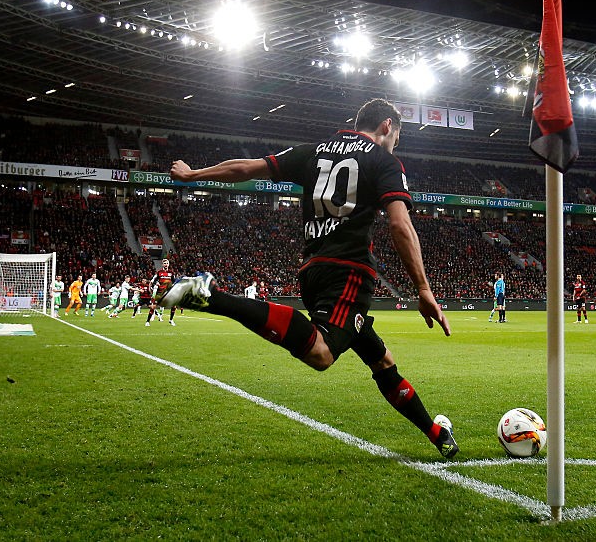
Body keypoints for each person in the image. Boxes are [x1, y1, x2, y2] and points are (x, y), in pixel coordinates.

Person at [157, 98, 458, 458]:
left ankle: (437, 434)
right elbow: (399, 223)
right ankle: (212, 296)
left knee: (382, 360)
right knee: (322, 353)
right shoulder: (384, 160)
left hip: (312, 270)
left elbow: (246, 168)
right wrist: (423, 288)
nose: (396, 144)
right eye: (397, 137)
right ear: (387, 126)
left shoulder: (313, 151)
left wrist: (193, 175)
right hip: (349, 271)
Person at [147, 259, 178, 326]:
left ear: (168, 264)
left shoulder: (171, 273)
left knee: (174, 306)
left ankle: (171, 320)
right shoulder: (159, 272)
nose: (166, 264)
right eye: (164, 263)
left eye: (167, 263)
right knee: (153, 307)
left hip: (168, 292)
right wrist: (156, 283)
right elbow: (153, 281)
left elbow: (174, 281)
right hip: (160, 292)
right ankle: (147, 321)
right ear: (162, 264)